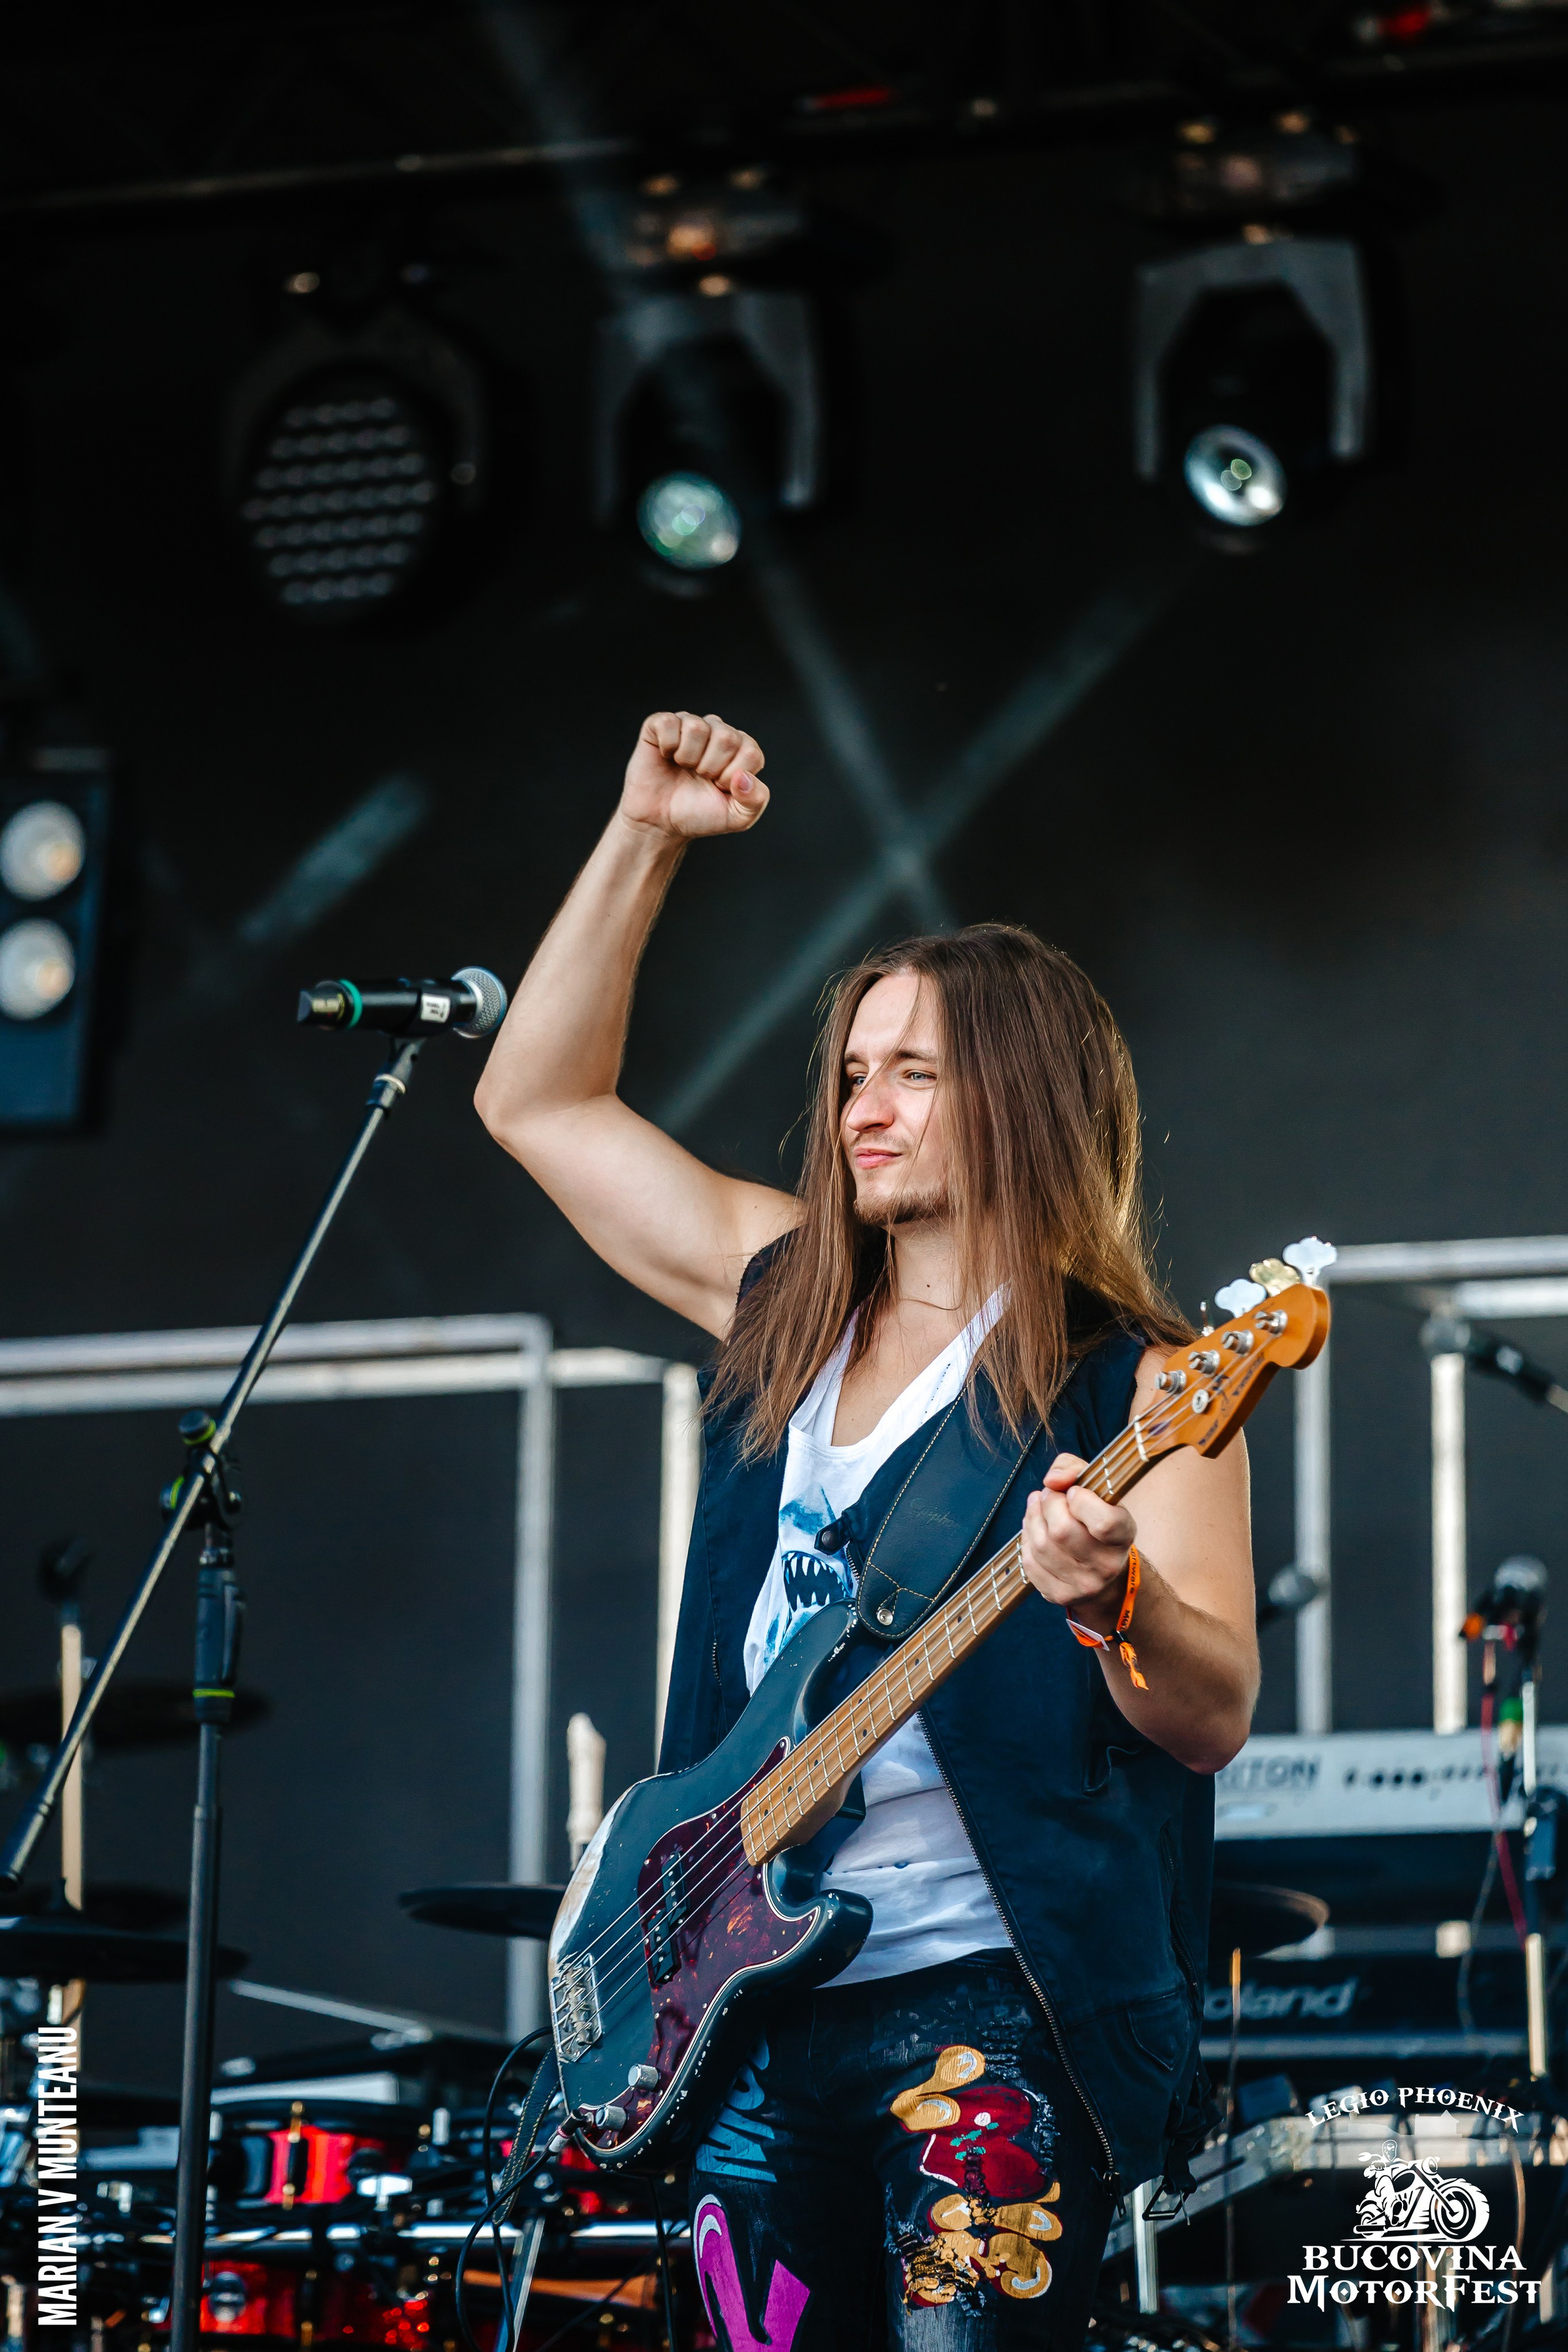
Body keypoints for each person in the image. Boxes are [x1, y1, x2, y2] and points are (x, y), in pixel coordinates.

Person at [475, 710, 1258, 2351]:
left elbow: (1210, 1712)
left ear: (1023, 1098)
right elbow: (536, 1101)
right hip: (741, 2014)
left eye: (914, 1071)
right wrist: (646, 834)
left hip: (992, 2013)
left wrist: (1111, 1606)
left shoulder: (1145, 1391)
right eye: (850, 1074)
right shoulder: (783, 1303)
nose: (862, 1109)